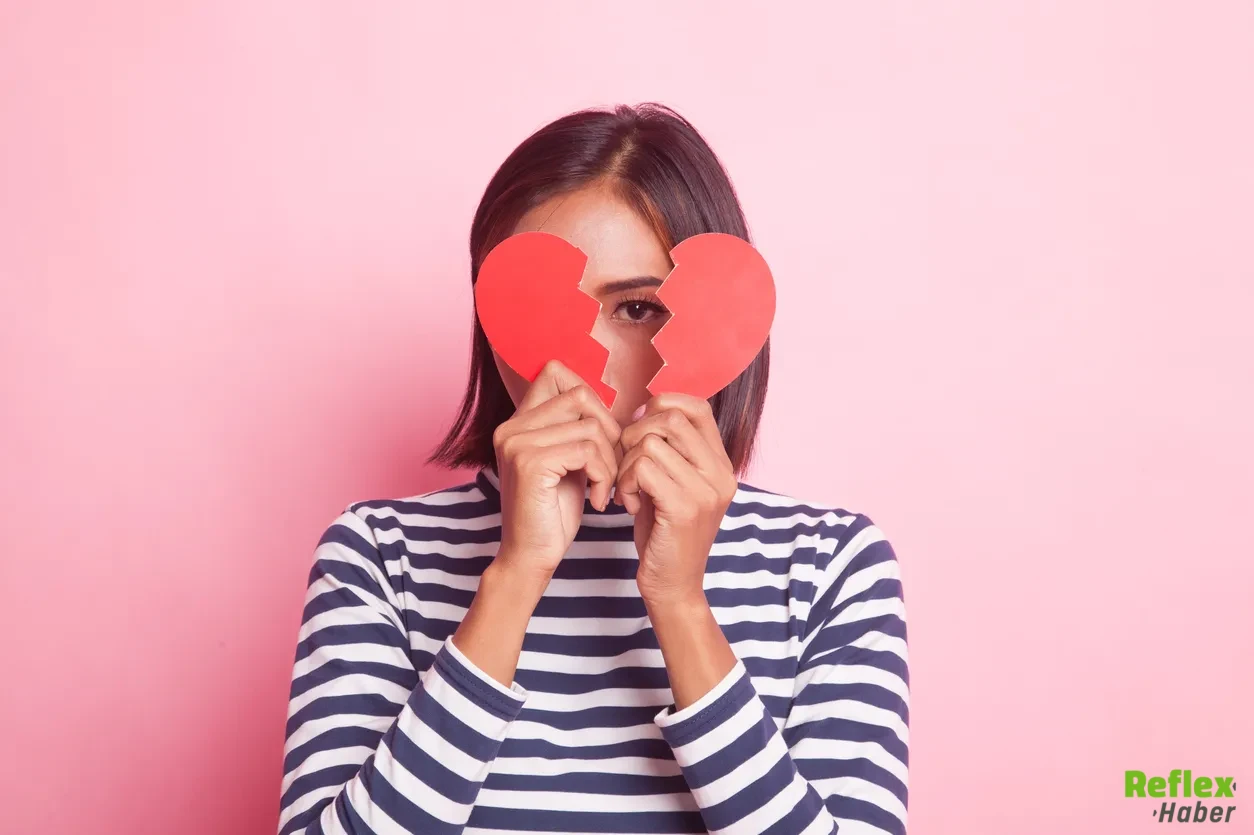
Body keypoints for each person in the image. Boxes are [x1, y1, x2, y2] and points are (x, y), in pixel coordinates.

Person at [277, 103, 910, 835]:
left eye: (637, 308)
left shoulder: (831, 566)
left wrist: (680, 603)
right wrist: (515, 576)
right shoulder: (379, 556)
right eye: (541, 308)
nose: (593, 367)